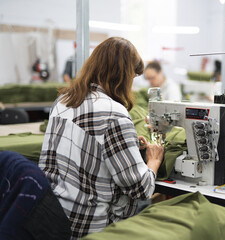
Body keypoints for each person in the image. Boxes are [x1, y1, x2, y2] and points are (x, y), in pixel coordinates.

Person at [38, 37, 164, 239]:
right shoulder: (114, 114)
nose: (131, 83)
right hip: (90, 226)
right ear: (122, 75)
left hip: (54, 215)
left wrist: (125, 145)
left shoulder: (63, 101)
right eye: (132, 76)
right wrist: (153, 161)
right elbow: (140, 189)